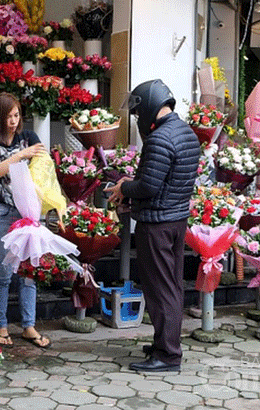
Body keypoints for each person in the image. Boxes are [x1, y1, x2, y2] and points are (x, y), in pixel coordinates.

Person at [104, 79, 200, 372]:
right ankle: (164, 344)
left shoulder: (160, 139)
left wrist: (123, 186)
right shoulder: (186, 132)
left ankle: (168, 355)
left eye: (137, 113)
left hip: (157, 224)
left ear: (148, 107)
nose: (136, 119)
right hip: (176, 220)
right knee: (171, 287)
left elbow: (148, 185)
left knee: (160, 291)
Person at [0, 92, 50, 348]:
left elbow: (45, 170)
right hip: (1, 213)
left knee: (29, 272)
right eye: (8, 116)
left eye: (17, 115)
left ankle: (29, 326)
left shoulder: (29, 138)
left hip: (28, 214)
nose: (13, 121)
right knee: (2, 272)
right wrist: (19, 156)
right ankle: (1, 326)